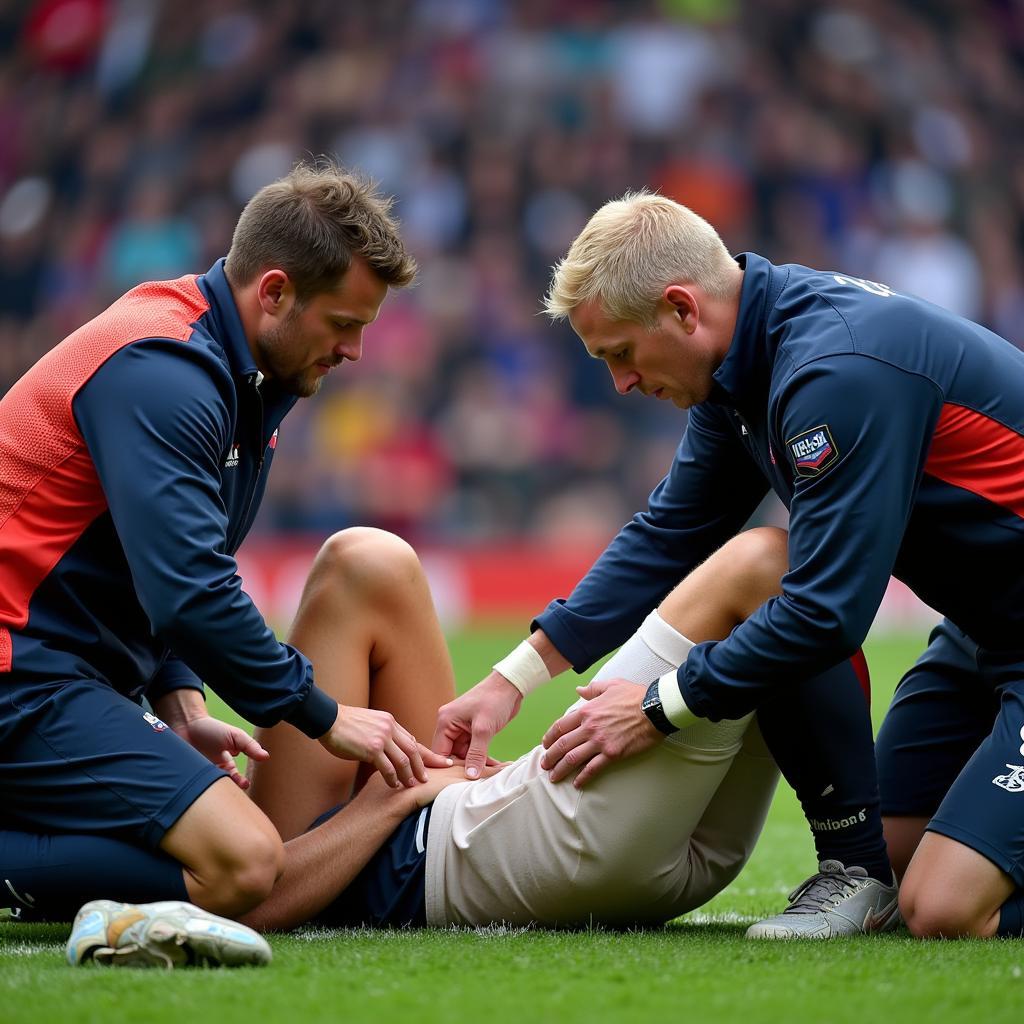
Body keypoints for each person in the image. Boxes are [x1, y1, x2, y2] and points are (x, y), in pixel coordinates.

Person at [434, 190, 1024, 940]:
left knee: (944, 908)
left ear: (683, 309)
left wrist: (658, 706)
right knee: (901, 865)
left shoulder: (834, 372)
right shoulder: (741, 363)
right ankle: (858, 872)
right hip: (984, 634)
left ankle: (867, 873)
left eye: (620, 353)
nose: (619, 382)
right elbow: (670, 532)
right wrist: (509, 681)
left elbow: (826, 612)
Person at [0, 161, 455, 933]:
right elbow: (188, 589)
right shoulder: (164, 369)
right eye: (343, 324)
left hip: (63, 675)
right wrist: (324, 716)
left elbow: (148, 565)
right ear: (273, 291)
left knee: (247, 846)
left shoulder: (240, 370)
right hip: (21, 677)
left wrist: (177, 694)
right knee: (246, 862)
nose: (353, 352)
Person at [69, 525, 806, 964]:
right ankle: (861, 856)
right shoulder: (247, 854)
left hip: (470, 822)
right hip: (444, 840)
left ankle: (862, 859)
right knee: (763, 564)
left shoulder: (210, 809)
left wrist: (178, 701)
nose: (221, 779)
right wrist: (393, 802)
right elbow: (261, 897)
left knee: (371, 559)